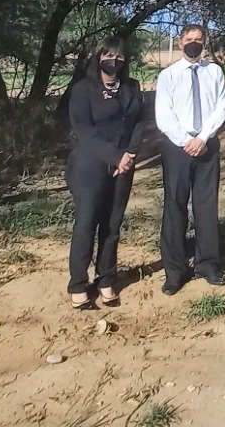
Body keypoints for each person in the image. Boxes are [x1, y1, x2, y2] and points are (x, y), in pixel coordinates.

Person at [65, 37, 144, 309]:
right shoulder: (83, 90)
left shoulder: (132, 87)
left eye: (120, 57)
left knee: (112, 225)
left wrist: (130, 154)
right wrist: (115, 155)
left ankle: (106, 278)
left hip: (124, 166)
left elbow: (139, 122)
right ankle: (78, 284)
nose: (114, 61)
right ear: (98, 57)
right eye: (109, 56)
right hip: (89, 165)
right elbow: (84, 132)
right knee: (87, 222)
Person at [155, 23, 225, 293]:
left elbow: (222, 106)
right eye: (189, 39)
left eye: (199, 39)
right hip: (178, 148)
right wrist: (186, 141)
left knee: (206, 207)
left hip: (207, 145)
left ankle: (208, 264)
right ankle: (175, 270)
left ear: (204, 42)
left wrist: (203, 137)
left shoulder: (214, 72)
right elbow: (164, 114)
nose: (194, 43)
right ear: (179, 43)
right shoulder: (169, 76)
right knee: (175, 207)